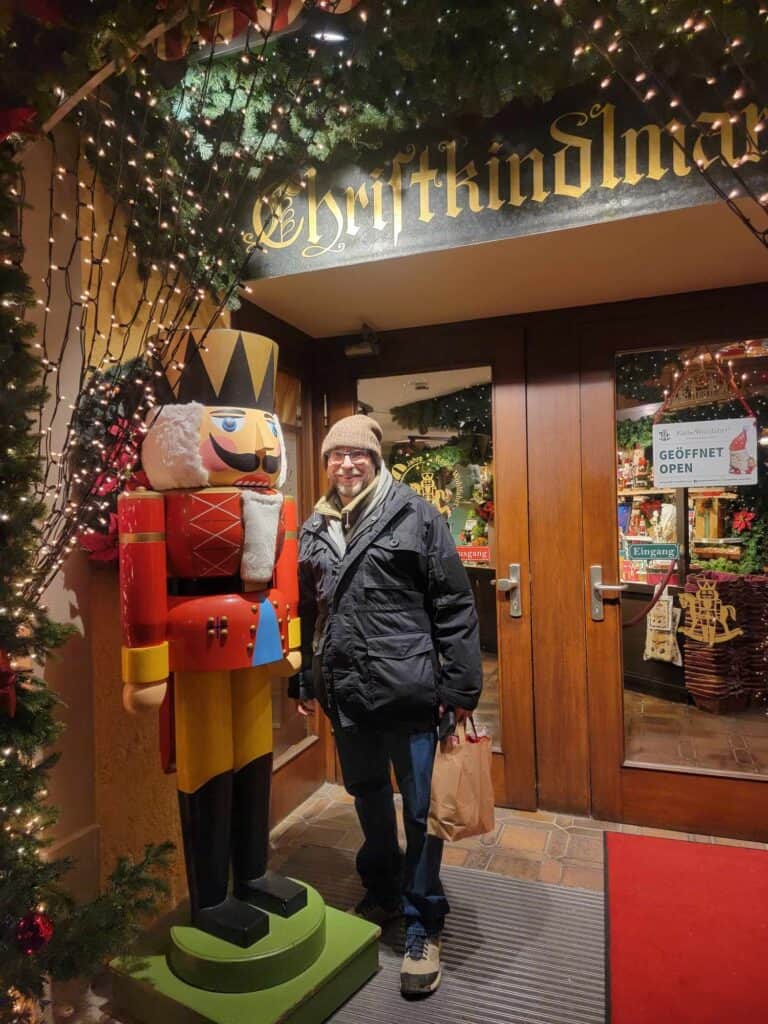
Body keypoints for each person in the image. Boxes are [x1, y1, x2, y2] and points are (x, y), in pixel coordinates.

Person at [293, 414, 481, 998]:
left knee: (422, 809)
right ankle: (381, 890)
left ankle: (424, 918)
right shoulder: (315, 525)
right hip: (347, 692)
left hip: (411, 689)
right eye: (335, 456)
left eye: (357, 455)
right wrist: (304, 677)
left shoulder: (415, 514)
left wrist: (459, 690)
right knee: (367, 794)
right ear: (326, 463)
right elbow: (308, 609)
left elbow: (454, 604)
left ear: (376, 460)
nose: (345, 465)